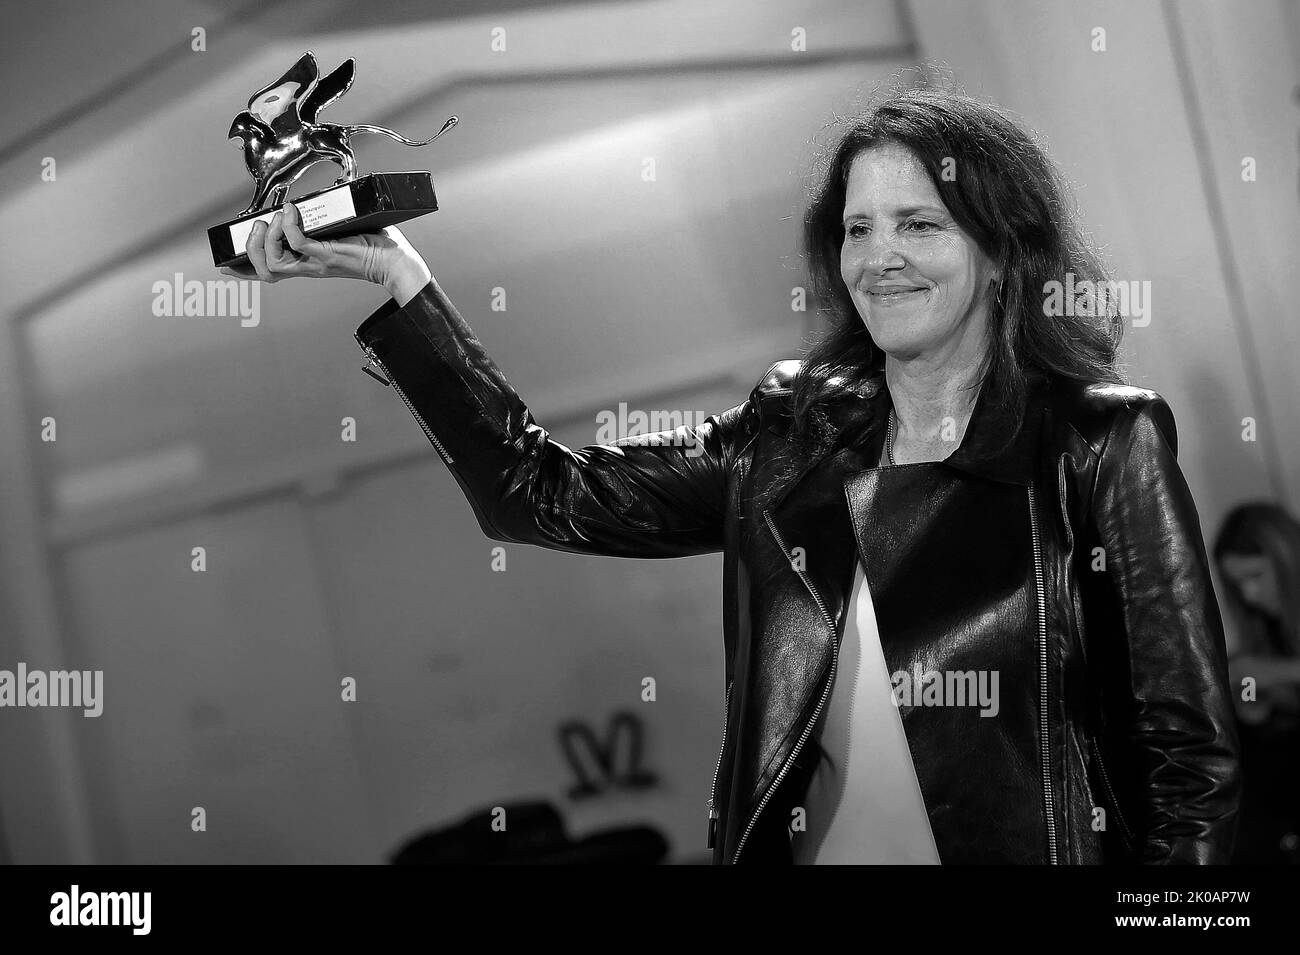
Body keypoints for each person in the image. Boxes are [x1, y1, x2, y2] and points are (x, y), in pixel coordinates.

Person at [222, 82, 1241, 865]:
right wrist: (402, 282)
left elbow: (1185, 757)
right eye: (856, 227)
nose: (879, 256)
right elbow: (540, 494)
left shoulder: (1098, 442)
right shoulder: (793, 431)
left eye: (919, 223)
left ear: (1000, 248)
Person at [1214, 503, 1300, 863]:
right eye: (1238, 585)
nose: (1248, 596)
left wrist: (1270, 673)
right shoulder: (1270, 630)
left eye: (1255, 576)